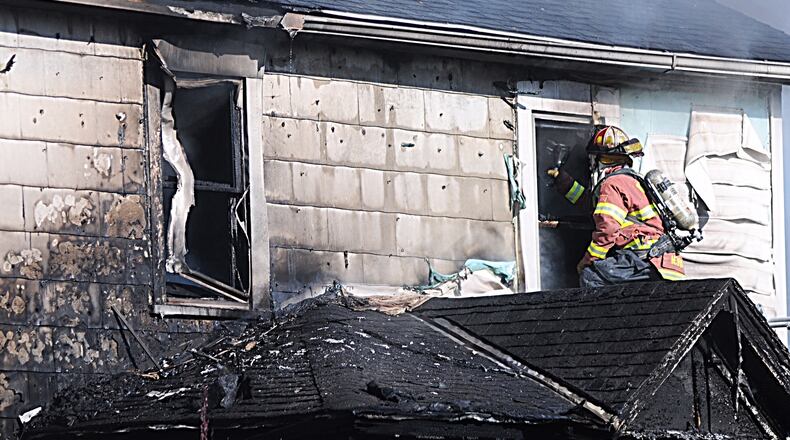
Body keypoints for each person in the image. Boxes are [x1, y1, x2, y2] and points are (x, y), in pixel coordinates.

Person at [547, 125, 685, 287]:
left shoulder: (612, 184)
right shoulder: (631, 181)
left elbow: (608, 229)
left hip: (644, 259)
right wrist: (563, 182)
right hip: (664, 262)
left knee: (591, 276)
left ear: (599, 159)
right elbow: (592, 205)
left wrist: (589, 260)